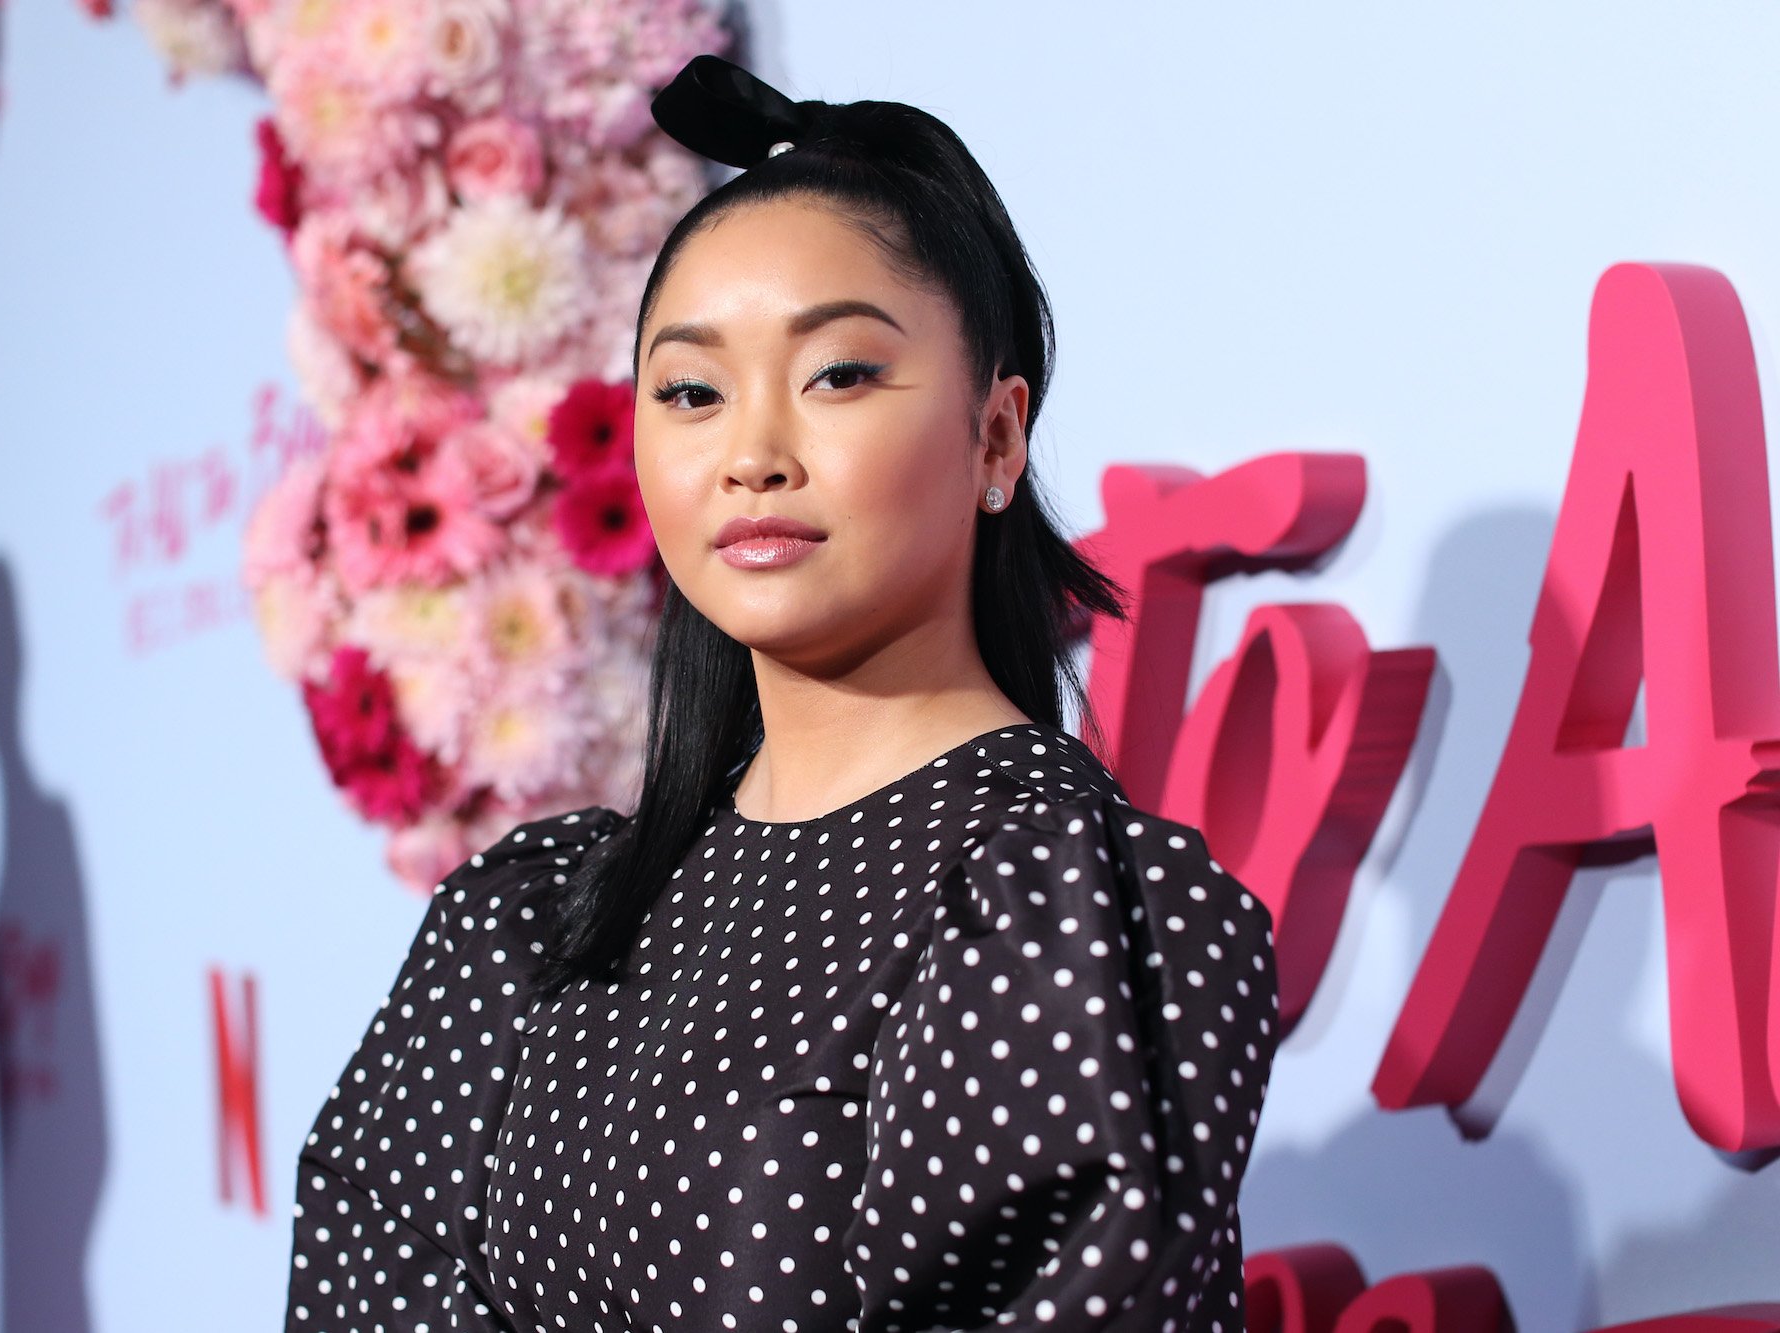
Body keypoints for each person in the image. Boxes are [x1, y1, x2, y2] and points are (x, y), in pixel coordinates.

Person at [284, 53, 1279, 1333]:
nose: (751, 456)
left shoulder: (1057, 903)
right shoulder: (537, 916)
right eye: (690, 391)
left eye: (839, 376)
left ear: (994, 437)